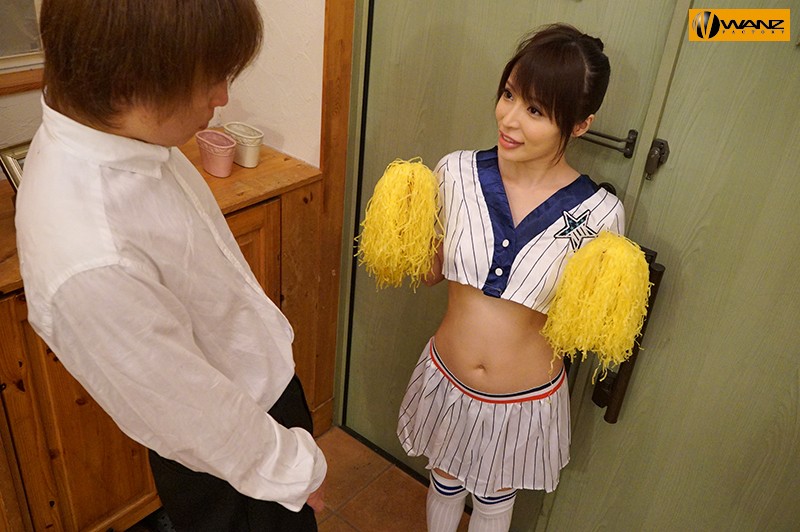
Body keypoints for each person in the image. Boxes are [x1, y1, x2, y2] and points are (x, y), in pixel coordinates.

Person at [15, 1, 325, 530]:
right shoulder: (88, 254)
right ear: (129, 80)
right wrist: (296, 472)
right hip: (231, 459)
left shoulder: (129, 137)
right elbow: (192, 413)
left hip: (259, 396)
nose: (222, 97)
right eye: (209, 80)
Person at [396, 24, 623, 532]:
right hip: (447, 377)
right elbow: (433, 274)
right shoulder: (455, 172)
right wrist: (406, 225)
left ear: (580, 125)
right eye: (509, 94)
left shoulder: (601, 215)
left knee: (494, 499)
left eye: (536, 110)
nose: (509, 118)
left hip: (523, 400)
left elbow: (581, 330)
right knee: (443, 480)